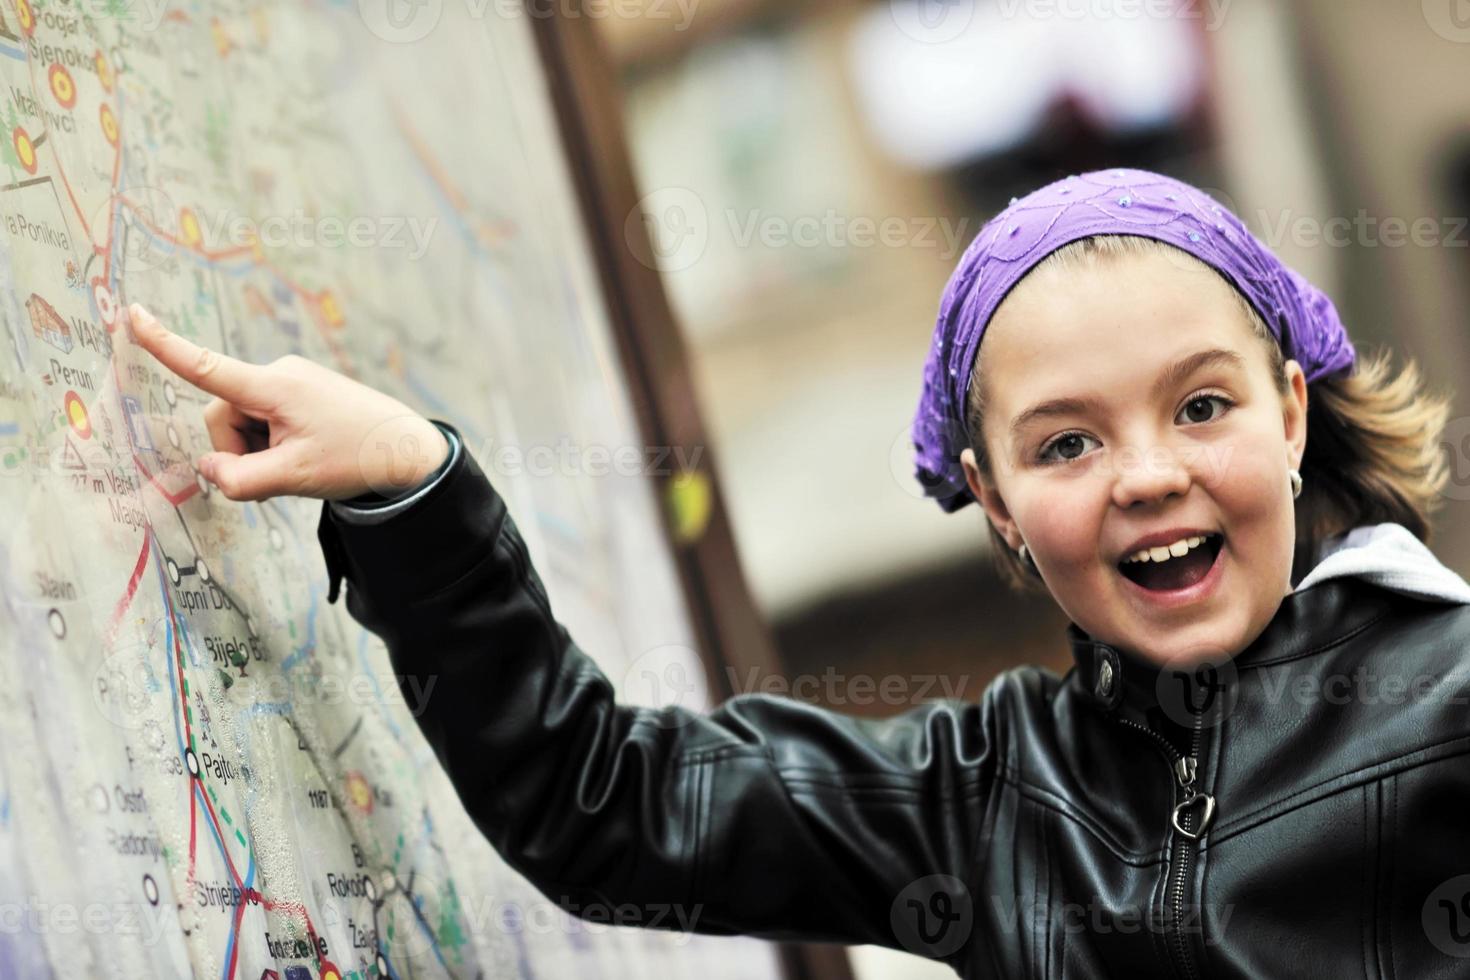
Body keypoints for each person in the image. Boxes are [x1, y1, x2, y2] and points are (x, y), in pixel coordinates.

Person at [129, 168, 1470, 978]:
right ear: (995, 504)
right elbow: (607, 808)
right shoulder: (978, 798)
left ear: (1288, 415)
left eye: (1199, 408)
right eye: (1066, 441)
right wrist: (413, 490)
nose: (1144, 473)